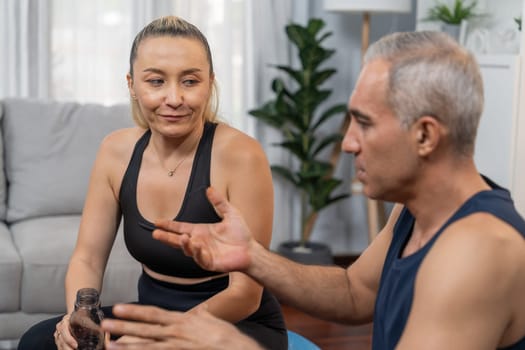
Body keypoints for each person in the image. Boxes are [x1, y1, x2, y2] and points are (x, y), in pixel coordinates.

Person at [100, 30, 525, 349]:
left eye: (365, 122)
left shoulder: (478, 249)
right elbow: (354, 293)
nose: (348, 143)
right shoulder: (416, 212)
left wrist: (233, 344)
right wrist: (254, 259)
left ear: (425, 136)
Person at [18, 15, 287, 350]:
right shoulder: (115, 151)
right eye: (156, 81)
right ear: (132, 84)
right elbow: (87, 258)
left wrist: (160, 337)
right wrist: (81, 316)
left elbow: (245, 295)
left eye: (190, 82)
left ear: (210, 82)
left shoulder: (241, 155)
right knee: (38, 342)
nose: (173, 98)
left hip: (233, 323)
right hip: (153, 314)